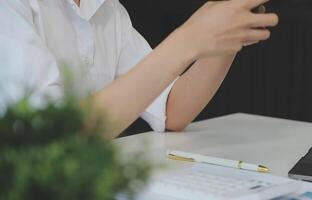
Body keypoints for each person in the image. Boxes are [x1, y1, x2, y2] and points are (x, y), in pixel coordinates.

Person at [0, 0, 278, 138]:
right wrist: (188, 39)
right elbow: (52, 137)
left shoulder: (109, 10)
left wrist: (227, 30)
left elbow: (171, 108)